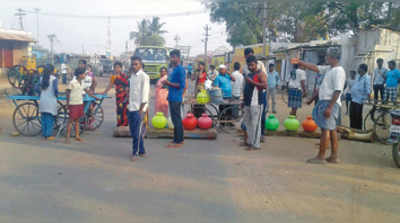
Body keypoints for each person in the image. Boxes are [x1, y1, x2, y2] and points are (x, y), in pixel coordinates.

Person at [292, 47, 346, 164]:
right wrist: (301, 62)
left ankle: (321, 156)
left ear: (332, 57)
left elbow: (338, 90)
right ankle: (334, 156)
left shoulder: (338, 71)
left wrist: (330, 107)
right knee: (331, 130)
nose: (325, 57)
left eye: (327, 56)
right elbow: (315, 68)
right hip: (326, 102)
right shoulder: (330, 69)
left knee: (325, 129)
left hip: (329, 102)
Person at [242, 56, 268, 150]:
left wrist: (252, 82)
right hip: (247, 102)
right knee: (248, 123)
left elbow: (265, 86)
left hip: (257, 103)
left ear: (256, 64)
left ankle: (256, 145)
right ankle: (250, 142)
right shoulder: (249, 74)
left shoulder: (261, 74)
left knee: (255, 124)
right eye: (249, 65)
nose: (250, 67)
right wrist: (243, 101)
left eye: (252, 65)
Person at [65, 68, 98, 144]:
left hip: (80, 103)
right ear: (79, 75)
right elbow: (67, 93)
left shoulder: (82, 83)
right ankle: (67, 137)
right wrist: (67, 104)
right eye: (83, 74)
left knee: (77, 120)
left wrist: (94, 97)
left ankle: (77, 136)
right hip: (73, 103)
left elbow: (87, 91)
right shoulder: (72, 83)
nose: (84, 75)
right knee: (70, 121)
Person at [127, 56, 150, 162]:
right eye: (133, 64)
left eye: (136, 64)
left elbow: (145, 95)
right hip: (131, 107)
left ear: (140, 64)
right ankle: (142, 151)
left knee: (136, 132)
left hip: (139, 109)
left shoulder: (144, 77)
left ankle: (135, 152)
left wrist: (141, 110)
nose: (134, 66)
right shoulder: (132, 76)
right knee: (134, 131)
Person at [162, 50, 186, 148]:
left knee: (177, 119)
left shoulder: (180, 69)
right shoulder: (174, 69)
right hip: (172, 96)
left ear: (178, 58)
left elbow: (181, 85)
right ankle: (176, 139)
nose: (172, 59)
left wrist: (168, 83)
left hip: (176, 97)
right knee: (174, 119)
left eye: (174, 57)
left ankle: (179, 140)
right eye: (171, 57)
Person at [103, 61, 130, 127]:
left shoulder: (125, 76)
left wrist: (128, 94)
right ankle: (120, 123)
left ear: (121, 68)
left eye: (118, 67)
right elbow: (110, 85)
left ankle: (125, 124)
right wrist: (104, 92)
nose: (117, 69)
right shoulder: (113, 77)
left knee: (125, 110)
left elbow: (128, 85)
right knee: (119, 110)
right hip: (118, 96)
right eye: (115, 67)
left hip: (126, 96)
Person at [39, 64, 58, 141]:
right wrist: (57, 95)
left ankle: (44, 134)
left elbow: (37, 88)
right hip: (51, 100)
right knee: (49, 119)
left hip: (43, 100)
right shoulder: (54, 79)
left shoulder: (41, 78)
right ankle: (48, 135)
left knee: (43, 118)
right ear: (52, 71)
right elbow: (55, 90)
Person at [350, 64, 371, 130]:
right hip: (353, 98)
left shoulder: (367, 78)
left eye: (359, 68)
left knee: (357, 115)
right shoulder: (358, 76)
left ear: (363, 69)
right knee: (352, 114)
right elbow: (355, 85)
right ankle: (352, 128)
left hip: (359, 100)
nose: (358, 70)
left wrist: (369, 99)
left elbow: (368, 89)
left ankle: (358, 129)